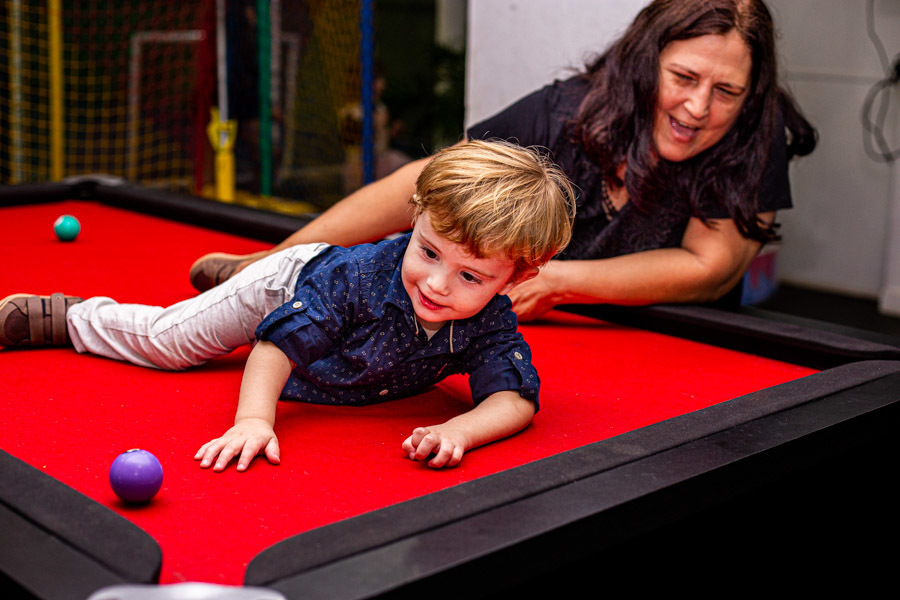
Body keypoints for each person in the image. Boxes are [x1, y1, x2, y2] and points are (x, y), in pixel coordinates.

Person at [189, 0, 815, 320]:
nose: (699, 106)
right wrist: (278, 259)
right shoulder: (561, 112)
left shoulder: (756, 133)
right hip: (520, 328)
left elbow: (709, 267)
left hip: (687, 354)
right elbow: (425, 185)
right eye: (684, 76)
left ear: (750, 94)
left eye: (726, 91)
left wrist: (560, 280)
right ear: (646, 62)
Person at [0, 140, 576, 470]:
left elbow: (514, 398)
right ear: (415, 217)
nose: (438, 284)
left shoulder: (494, 318)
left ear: (516, 277)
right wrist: (254, 419)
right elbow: (274, 347)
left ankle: (232, 271)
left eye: (471, 276)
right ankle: (67, 316)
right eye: (426, 251)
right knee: (170, 344)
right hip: (288, 283)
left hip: (324, 301)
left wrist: (463, 429)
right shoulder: (357, 279)